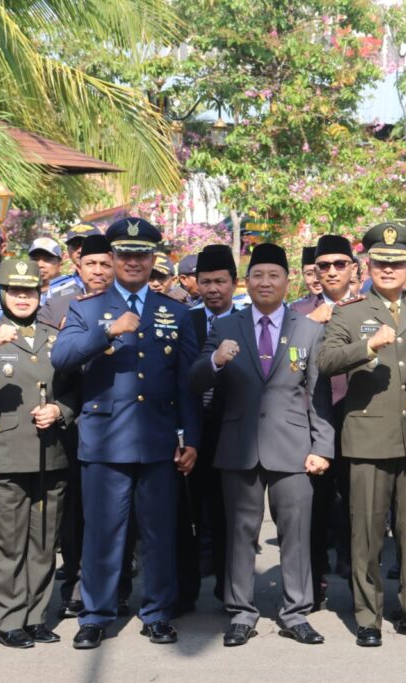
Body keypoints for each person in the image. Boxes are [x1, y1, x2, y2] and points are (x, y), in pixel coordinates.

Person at [51, 217, 201, 649]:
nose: (133, 261)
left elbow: (186, 381)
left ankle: (156, 612)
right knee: (102, 535)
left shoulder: (173, 310)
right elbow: (62, 357)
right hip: (104, 441)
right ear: (112, 258)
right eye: (124, 254)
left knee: (159, 535)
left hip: (157, 441)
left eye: (141, 254)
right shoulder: (87, 307)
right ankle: (96, 615)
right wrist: (107, 331)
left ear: (153, 259)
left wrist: (190, 438)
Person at [189, 242, 334, 647]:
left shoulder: (308, 327)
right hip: (238, 445)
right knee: (239, 533)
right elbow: (195, 381)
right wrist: (215, 360)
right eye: (257, 276)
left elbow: (317, 395)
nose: (265, 282)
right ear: (246, 283)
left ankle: (296, 611)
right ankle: (240, 612)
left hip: (293, 446)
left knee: (296, 533)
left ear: (288, 282)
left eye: (274, 275)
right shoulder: (225, 326)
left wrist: (322, 447)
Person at [318, 222, 406, 648]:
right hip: (367, 438)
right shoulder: (349, 312)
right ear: (367, 265)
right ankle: (368, 617)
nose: (388, 269)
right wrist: (367, 348)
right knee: (367, 535)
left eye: (398, 263)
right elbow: (325, 361)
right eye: (380, 262)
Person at [0, 260, 78, 648]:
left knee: (43, 542)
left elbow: (75, 388)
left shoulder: (56, 338)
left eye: (30, 291)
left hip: (49, 456)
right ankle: (7, 619)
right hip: (0, 458)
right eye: (15, 291)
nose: (22, 297)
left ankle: (35, 616)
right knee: (5, 544)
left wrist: (60, 411)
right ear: (2, 294)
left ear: (39, 294)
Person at [38, 234, 121, 620]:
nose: (99, 272)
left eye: (106, 264)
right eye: (92, 265)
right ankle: (72, 580)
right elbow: (53, 362)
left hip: (117, 421)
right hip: (70, 417)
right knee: (73, 511)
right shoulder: (56, 305)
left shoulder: (128, 303)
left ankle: (115, 587)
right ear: (78, 267)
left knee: (117, 510)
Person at [175, 244, 241, 616]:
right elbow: (181, 380)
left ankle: (228, 592)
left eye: (220, 281)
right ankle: (185, 593)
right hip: (190, 430)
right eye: (205, 282)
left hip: (230, 430)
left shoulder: (246, 320)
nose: (213, 288)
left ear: (234, 282)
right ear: (195, 284)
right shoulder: (187, 320)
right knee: (187, 515)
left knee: (227, 515)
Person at [294, 234, 359, 599]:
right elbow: (290, 367)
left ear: (353, 268)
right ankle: (314, 582)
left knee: (357, 509)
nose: (332, 272)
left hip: (360, 421)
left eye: (339, 264)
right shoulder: (299, 313)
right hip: (313, 422)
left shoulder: (370, 307)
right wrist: (310, 326)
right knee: (314, 510)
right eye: (324, 266)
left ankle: (358, 583)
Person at [45, 222, 103, 303]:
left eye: (86, 244)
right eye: (75, 245)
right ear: (68, 251)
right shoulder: (56, 288)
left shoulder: (115, 282)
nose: (80, 250)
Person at [291, 246, 324, 316]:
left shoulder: (342, 302)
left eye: (320, 272)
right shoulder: (296, 308)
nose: (316, 279)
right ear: (303, 276)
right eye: (309, 274)